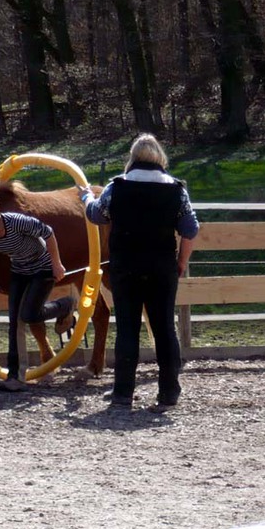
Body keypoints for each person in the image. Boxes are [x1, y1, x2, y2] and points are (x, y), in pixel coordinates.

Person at [79, 133, 199, 412]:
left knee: (127, 329)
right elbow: (191, 229)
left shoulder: (117, 186)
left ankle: (123, 393)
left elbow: (96, 214)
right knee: (165, 329)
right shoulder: (176, 190)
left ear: (132, 157)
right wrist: (181, 262)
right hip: (162, 267)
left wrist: (85, 196)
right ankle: (169, 392)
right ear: (160, 157)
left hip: (126, 267)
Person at [0, 197, 77, 392]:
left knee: (30, 315)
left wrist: (57, 264)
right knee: (15, 322)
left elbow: (48, 233)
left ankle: (66, 305)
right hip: (20, 271)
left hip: (42, 268)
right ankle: (16, 377)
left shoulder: (15, 222)